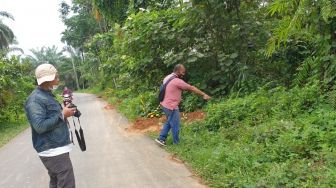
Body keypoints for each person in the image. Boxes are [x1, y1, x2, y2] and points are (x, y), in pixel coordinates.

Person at [25, 63, 77, 188]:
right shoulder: (35, 100)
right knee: (66, 183)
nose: (58, 78)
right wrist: (62, 115)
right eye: (56, 76)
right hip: (52, 150)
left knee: (55, 182)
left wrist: (65, 111)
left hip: (56, 148)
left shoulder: (47, 94)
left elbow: (52, 116)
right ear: (48, 79)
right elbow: (40, 126)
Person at [155, 64, 211, 146]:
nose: (184, 74)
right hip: (171, 106)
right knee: (175, 125)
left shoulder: (168, 77)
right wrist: (203, 94)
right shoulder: (177, 81)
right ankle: (176, 144)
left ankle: (161, 138)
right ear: (178, 71)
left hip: (164, 104)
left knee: (169, 122)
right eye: (182, 72)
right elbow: (191, 88)